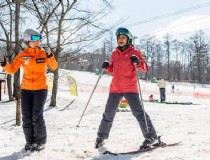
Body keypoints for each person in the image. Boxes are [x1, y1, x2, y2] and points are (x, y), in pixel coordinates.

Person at [95, 27, 158, 149]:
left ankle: (151, 136)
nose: (120, 39)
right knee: (108, 113)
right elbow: (112, 70)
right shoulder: (114, 54)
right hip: (115, 88)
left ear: (128, 39)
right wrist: (107, 66)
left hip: (130, 87)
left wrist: (138, 61)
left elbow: (145, 67)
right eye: (119, 37)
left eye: (123, 37)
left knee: (138, 113)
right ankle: (101, 137)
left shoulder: (135, 52)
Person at [0, 29, 58, 151]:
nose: (37, 42)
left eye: (38, 39)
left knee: (36, 116)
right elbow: (11, 70)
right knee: (26, 117)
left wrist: (50, 55)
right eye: (34, 39)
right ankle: (29, 142)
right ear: (27, 40)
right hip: (25, 90)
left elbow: (54, 67)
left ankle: (40, 141)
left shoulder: (43, 54)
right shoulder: (22, 55)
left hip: (40, 89)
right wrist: (4, 63)